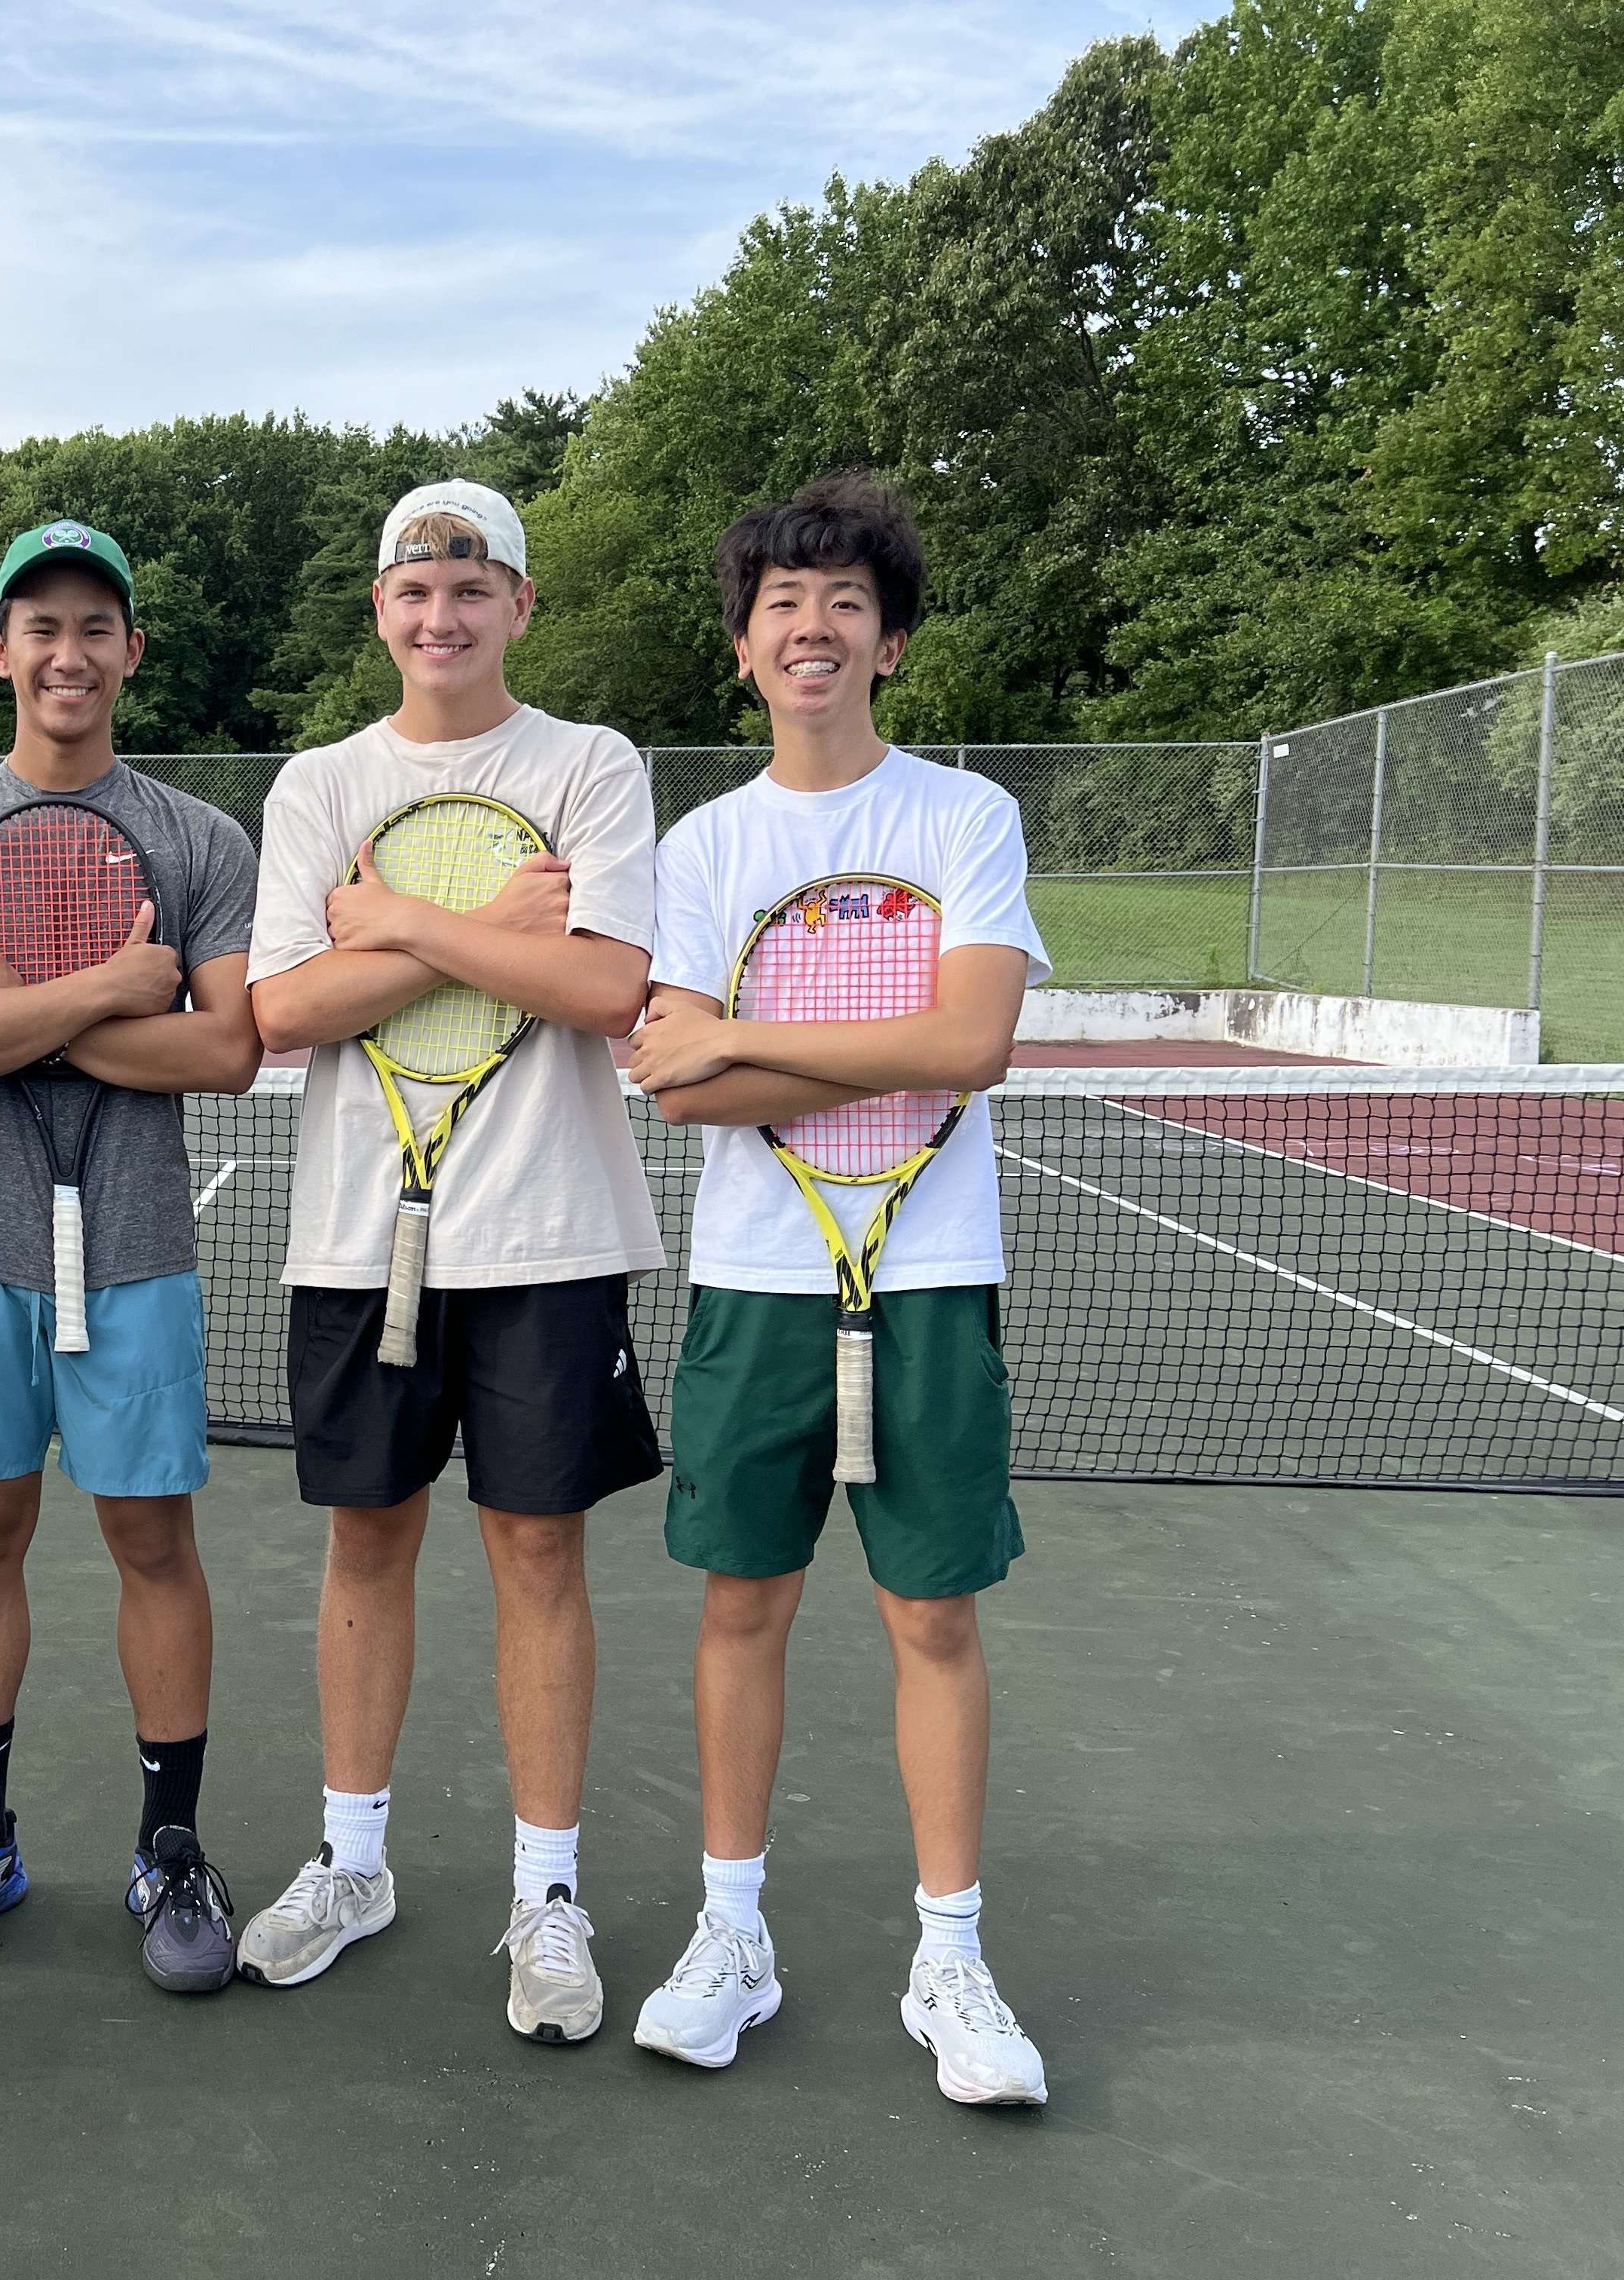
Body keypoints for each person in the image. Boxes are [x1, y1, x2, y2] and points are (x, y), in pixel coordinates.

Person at [623, 470, 1052, 2106]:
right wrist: (726, 1053)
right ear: (745, 648)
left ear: (887, 643)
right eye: (784, 605)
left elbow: (972, 1044)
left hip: (931, 1274)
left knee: (932, 1614)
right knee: (745, 1605)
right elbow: (679, 1084)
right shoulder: (708, 845)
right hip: (757, 1277)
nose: (815, 628)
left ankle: (953, 1957)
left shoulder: (963, 819)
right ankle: (736, 1933)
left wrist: (746, 1035)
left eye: (846, 604)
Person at [236, 480, 666, 2045]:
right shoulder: (318, 784)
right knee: (366, 1544)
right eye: (415, 591)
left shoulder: (591, 768)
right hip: (363, 1236)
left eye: (472, 588)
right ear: (381, 610)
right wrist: (498, 934)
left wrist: (398, 919)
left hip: (551, 1236)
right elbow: (279, 1014)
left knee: (540, 1556)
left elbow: (609, 983)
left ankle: (547, 1899)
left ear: (519, 607)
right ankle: (355, 1867)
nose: (442, 616)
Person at [0, 519, 263, 1993]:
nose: (69, 652)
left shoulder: (203, 839)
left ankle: (170, 1849)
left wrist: (14, 1009)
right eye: (42, 626)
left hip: (140, 1244)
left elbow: (223, 1050)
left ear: (131, 650)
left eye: (97, 625)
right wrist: (105, 988)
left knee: (152, 1541)